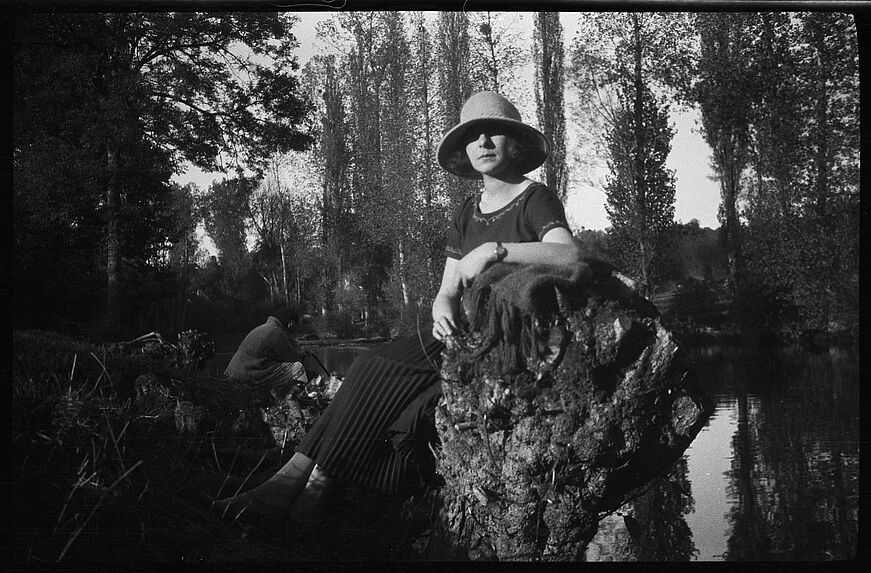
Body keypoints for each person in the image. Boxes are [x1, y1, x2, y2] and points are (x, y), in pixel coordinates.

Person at [213, 91, 583, 527]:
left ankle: (300, 490)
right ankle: (300, 488)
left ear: (515, 143)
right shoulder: (466, 212)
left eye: (494, 131)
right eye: (472, 135)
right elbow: (446, 290)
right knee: (391, 398)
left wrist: (493, 251)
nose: (483, 141)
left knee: (372, 366)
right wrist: (441, 306)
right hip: (458, 334)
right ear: (463, 150)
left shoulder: (533, 197)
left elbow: (569, 258)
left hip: (505, 338)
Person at [224, 307, 307, 402]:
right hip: (248, 375)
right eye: (296, 325)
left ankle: (281, 399)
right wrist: (292, 339)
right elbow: (292, 358)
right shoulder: (277, 332)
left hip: (236, 373)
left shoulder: (264, 328)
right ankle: (302, 401)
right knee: (297, 367)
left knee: (281, 367)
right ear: (290, 324)